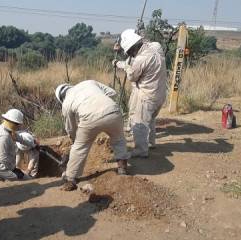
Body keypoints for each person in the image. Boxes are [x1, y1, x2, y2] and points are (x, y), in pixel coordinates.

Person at [54, 80, 129, 191]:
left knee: (79, 148)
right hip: (113, 111)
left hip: (89, 118)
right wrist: (100, 101)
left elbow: (70, 127)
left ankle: (71, 179)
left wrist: (75, 139)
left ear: (61, 97)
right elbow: (112, 92)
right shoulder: (89, 82)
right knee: (119, 140)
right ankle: (122, 168)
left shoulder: (66, 103)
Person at [113, 29, 167, 157]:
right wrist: (121, 61)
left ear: (133, 48)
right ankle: (150, 143)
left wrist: (122, 65)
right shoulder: (156, 47)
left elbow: (132, 76)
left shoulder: (140, 60)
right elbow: (132, 60)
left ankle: (141, 151)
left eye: (130, 52)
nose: (130, 54)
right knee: (151, 119)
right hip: (160, 94)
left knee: (140, 123)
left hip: (147, 95)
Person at [0, 109, 38, 182]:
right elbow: (3, 159)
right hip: (0, 166)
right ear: (14, 123)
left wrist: (33, 143)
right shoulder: (4, 136)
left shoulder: (5, 129)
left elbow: (20, 138)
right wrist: (14, 170)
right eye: (18, 124)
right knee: (27, 180)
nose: (19, 126)